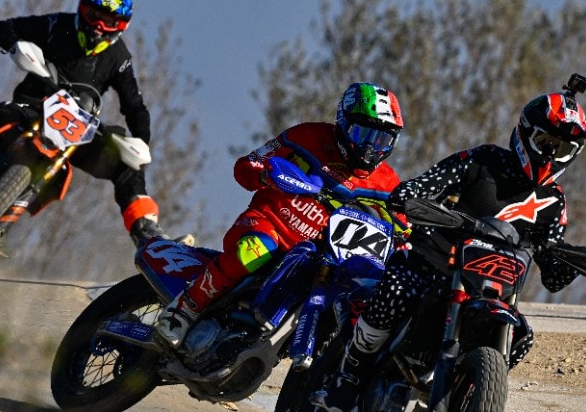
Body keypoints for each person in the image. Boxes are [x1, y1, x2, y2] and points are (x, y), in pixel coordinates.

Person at [313, 77, 586, 412]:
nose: (551, 154)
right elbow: (430, 182)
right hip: (431, 264)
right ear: (525, 134)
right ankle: (348, 377)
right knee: (398, 289)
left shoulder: (554, 201)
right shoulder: (483, 160)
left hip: (491, 290)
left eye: (562, 149)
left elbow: (551, 270)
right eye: (546, 142)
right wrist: (412, 195)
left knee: (522, 336)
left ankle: (468, 408)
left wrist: (569, 263)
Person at [154, 82, 406, 348]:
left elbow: (403, 225)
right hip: (268, 223)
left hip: (320, 253)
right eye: (363, 134)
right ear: (343, 123)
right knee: (255, 249)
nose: (370, 148)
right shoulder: (307, 136)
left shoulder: (388, 182)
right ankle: (183, 310)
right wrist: (264, 174)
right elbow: (247, 164)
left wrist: (407, 238)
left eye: (381, 139)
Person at [0, 0, 168, 244]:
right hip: (34, 106)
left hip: (78, 129)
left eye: (109, 21)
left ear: (121, 27)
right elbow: (5, 27)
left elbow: (134, 105)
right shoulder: (57, 25)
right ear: (82, 10)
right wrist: (15, 46)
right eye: (95, 16)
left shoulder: (119, 58)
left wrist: (141, 141)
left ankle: (145, 232)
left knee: (128, 166)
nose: (99, 27)